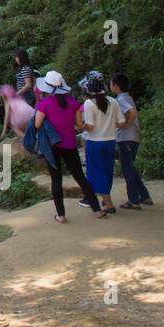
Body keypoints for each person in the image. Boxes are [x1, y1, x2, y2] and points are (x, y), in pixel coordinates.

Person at [33, 71, 103, 222]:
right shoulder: (73, 102)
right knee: (80, 176)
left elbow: (37, 124)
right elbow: (79, 125)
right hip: (70, 144)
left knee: (56, 179)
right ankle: (97, 210)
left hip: (52, 147)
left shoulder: (43, 104)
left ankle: (61, 215)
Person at [80, 74, 125, 215]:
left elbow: (91, 127)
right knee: (107, 172)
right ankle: (104, 201)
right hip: (110, 141)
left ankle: (109, 204)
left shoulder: (89, 104)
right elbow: (122, 122)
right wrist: (110, 125)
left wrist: (80, 125)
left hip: (94, 143)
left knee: (96, 172)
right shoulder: (113, 101)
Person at [110, 73, 152, 208]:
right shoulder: (126, 97)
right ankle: (144, 196)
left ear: (116, 85)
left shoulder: (121, 99)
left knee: (127, 170)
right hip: (132, 138)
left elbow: (133, 112)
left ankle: (134, 201)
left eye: (111, 83)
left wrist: (126, 125)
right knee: (131, 169)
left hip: (126, 138)